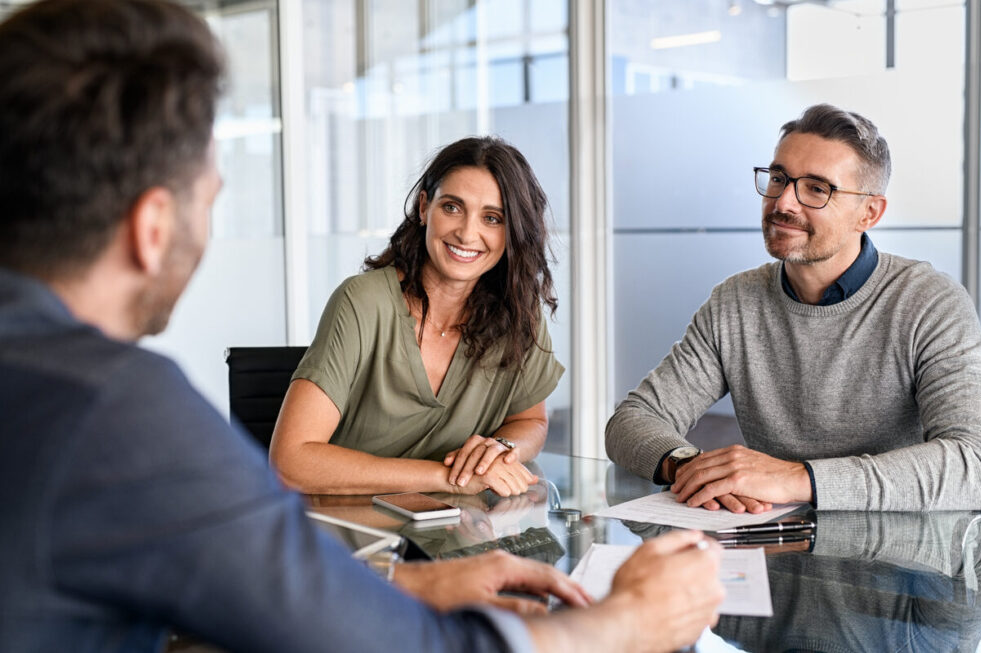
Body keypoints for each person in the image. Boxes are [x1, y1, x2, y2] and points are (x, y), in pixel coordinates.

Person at [0, 1, 725, 652]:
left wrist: (409, 584)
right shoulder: (118, 412)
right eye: (212, 195)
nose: (468, 230)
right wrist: (623, 621)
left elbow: (241, 594)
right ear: (153, 226)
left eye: (493, 217)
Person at [606, 104, 981, 513]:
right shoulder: (734, 302)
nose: (784, 202)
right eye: (779, 178)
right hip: (771, 549)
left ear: (869, 213)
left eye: (817, 189)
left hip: (900, 560)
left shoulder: (928, 303)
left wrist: (797, 478)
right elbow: (632, 420)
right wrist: (690, 467)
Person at [270, 137, 563, 497]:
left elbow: (529, 420)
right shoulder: (362, 302)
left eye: (492, 218)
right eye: (453, 207)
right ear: (424, 207)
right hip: (345, 535)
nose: (467, 233)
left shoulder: (519, 311)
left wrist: (501, 448)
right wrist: (446, 478)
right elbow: (290, 462)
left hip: (453, 537)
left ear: (512, 231)